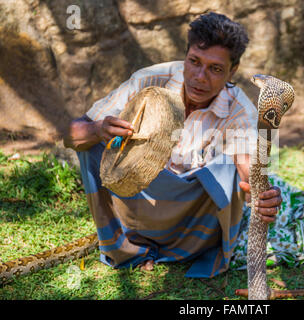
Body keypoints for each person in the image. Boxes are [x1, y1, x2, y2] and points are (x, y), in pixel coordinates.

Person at [63, 12, 283, 277]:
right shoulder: (150, 80)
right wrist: (98, 129)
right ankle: (129, 248)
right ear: (185, 56)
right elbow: (71, 134)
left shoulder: (240, 109)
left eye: (215, 69)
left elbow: (250, 168)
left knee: (230, 169)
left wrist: (260, 194)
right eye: (194, 62)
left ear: (232, 71)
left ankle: (190, 251)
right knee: (90, 143)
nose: (201, 77)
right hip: (139, 198)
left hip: (191, 214)